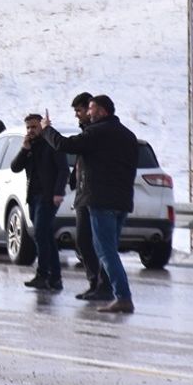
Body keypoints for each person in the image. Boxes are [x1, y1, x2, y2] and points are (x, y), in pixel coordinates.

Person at [41, 95, 139, 314]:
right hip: (122, 200)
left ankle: (123, 296)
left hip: (101, 200)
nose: (88, 112)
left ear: (103, 111)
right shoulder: (128, 135)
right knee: (109, 248)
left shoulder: (97, 132)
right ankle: (114, 292)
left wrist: (47, 129)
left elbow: (64, 144)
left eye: (91, 108)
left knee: (105, 251)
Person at [11, 113, 70, 291]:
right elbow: (15, 167)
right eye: (28, 127)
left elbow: (63, 170)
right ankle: (55, 277)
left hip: (47, 197)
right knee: (45, 237)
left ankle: (43, 274)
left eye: (34, 127)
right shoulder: (31, 146)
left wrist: (58, 193)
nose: (30, 130)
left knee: (40, 234)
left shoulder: (51, 144)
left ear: (42, 126)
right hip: (33, 197)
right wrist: (24, 149)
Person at [65, 92, 110, 301]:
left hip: (94, 194)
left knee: (92, 242)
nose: (78, 115)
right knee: (84, 242)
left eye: (80, 111)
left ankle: (103, 284)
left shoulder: (94, 133)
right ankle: (96, 283)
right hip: (84, 193)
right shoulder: (88, 132)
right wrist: (74, 177)